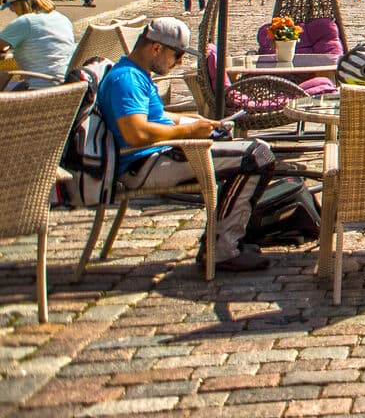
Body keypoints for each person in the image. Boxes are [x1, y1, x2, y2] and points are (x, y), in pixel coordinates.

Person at [95, 17, 273, 271]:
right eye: (176, 55)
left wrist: (193, 120)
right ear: (156, 48)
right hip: (146, 163)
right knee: (258, 156)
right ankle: (222, 248)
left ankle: (226, 237)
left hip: (154, 156)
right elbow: (136, 132)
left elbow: (155, 116)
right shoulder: (127, 80)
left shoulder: (135, 74)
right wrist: (189, 130)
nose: (178, 63)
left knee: (243, 150)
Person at [0, 0, 75, 87]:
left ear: (20, 4)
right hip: (65, 84)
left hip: (38, 86)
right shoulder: (62, 18)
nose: (13, 10)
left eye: (12, 6)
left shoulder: (26, 21)